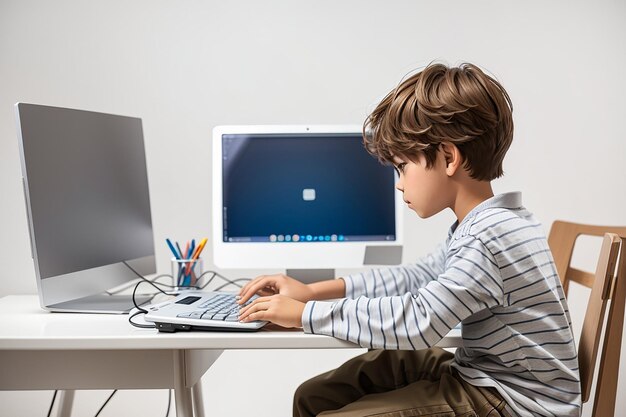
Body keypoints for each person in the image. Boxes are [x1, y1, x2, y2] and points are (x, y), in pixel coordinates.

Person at [237, 62, 581, 417]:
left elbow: (421, 320)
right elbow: (415, 278)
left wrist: (307, 315)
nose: (399, 182)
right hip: (484, 374)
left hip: (517, 401)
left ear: (448, 158)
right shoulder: (483, 224)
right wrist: (313, 292)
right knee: (314, 396)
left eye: (403, 167)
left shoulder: (489, 237)